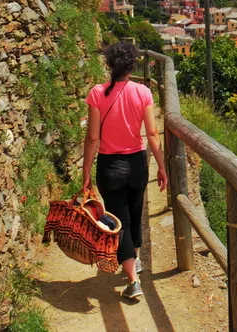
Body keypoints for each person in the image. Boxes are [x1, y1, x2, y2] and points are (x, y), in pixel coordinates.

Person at [82, 41, 168, 300]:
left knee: (118, 222)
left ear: (109, 64)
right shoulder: (143, 93)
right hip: (137, 163)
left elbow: (92, 138)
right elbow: (152, 133)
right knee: (134, 213)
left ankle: (133, 281)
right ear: (132, 66)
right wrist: (162, 166)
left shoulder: (97, 93)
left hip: (110, 166)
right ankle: (136, 263)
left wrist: (86, 172)